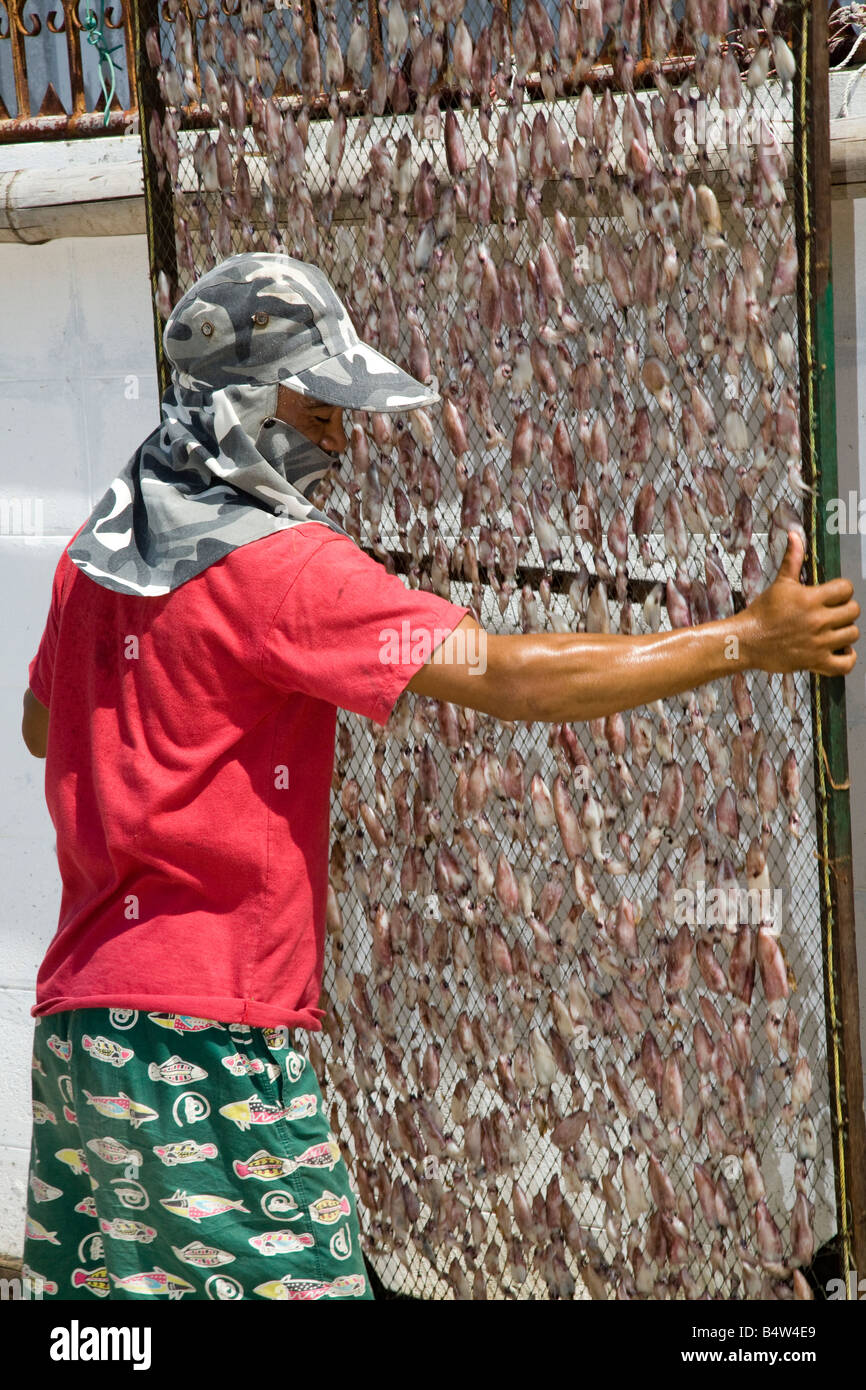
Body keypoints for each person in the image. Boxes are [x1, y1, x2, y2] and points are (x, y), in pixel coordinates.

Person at [20, 253, 858, 1303]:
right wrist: (744, 639)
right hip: (210, 1042)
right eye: (315, 407)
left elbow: (42, 727)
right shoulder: (282, 568)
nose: (335, 440)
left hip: (82, 1034)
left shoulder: (96, 555)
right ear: (237, 404)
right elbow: (506, 676)